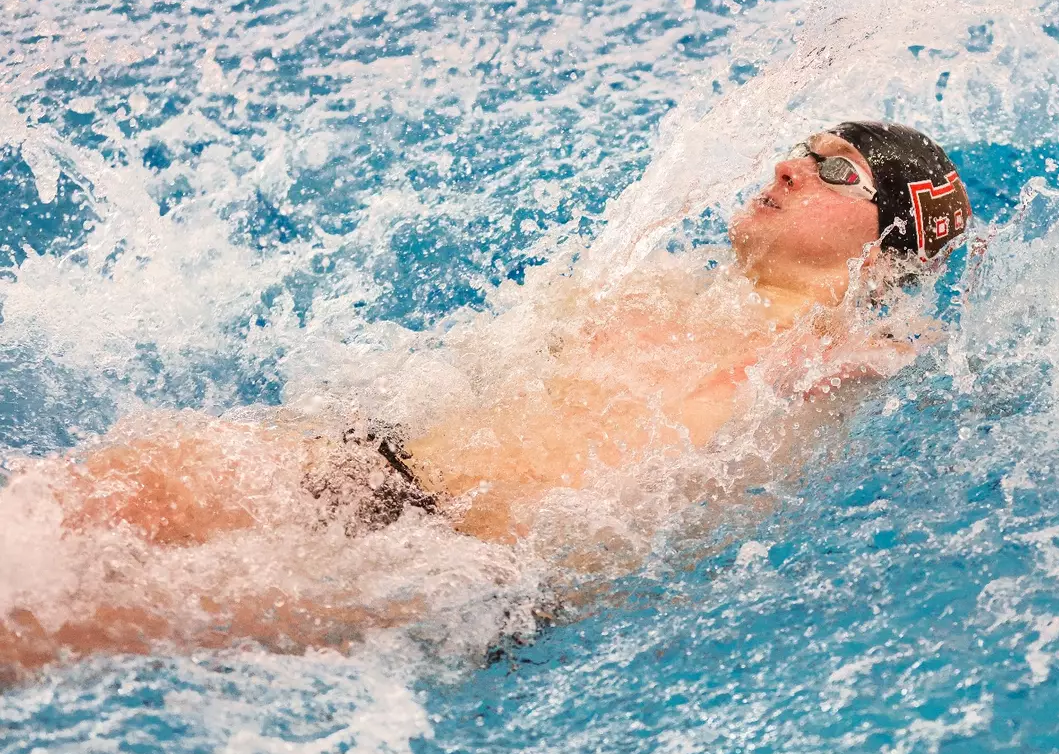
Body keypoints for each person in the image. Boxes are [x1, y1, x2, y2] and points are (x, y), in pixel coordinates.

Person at [0, 122, 972, 680]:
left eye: (836, 171)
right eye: (800, 150)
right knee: (73, 499)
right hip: (368, 464)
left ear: (887, 245)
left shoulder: (843, 356)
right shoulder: (655, 283)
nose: (788, 167)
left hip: (457, 568)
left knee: (60, 626)